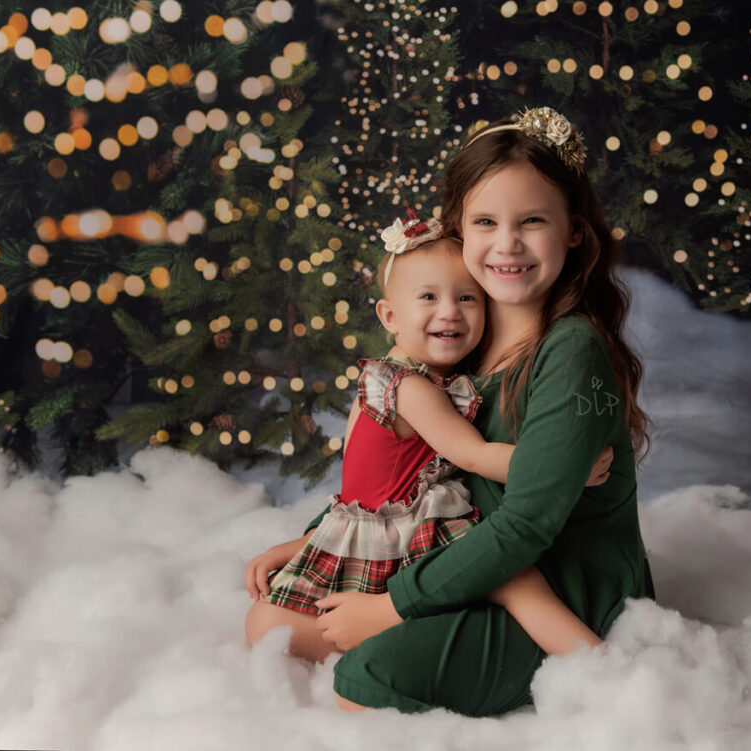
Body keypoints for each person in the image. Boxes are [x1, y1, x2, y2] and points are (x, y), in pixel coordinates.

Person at [311, 106, 655, 716]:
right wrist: (306, 544)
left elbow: (526, 525)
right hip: (472, 559)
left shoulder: (570, 348)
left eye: (532, 222)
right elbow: (399, 473)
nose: (507, 245)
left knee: (366, 681)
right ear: (459, 231)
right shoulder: (463, 332)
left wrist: (390, 607)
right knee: (280, 627)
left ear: (573, 230)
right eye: (486, 222)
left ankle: (571, 663)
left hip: (561, 584)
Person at [244, 208, 608, 662]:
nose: (450, 313)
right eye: (429, 297)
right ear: (390, 315)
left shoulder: (383, 377)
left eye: (468, 299)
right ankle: (598, 664)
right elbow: (473, 456)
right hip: (402, 534)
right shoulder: (410, 388)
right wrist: (565, 469)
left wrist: (298, 545)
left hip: (387, 526)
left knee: (510, 582)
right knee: (518, 582)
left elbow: (359, 491)